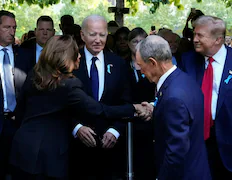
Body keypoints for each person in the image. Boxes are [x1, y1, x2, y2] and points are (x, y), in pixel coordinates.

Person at [9, 35, 148, 180]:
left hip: (22, 150)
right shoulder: (69, 85)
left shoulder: (34, 74)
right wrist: (134, 108)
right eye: (76, 52)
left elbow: (20, 112)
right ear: (67, 57)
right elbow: (98, 110)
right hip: (49, 158)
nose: (80, 55)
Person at [136, 35, 211, 180]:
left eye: (141, 65)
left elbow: (176, 151)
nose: (141, 71)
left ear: (152, 63)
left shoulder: (173, 97)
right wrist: (156, 109)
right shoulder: (185, 80)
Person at [70, 14, 133, 179]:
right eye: (92, 34)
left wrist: (115, 130)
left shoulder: (119, 64)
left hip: (111, 149)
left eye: (102, 35)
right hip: (76, 150)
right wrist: (76, 128)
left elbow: (126, 102)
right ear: (82, 35)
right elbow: (61, 102)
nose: (98, 40)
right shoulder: (70, 62)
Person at [180, 15, 232, 180]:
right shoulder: (187, 60)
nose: (194, 39)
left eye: (200, 35)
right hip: (196, 143)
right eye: (194, 34)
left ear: (218, 40)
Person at [0, 10, 33, 179]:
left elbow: (31, 89)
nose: (12, 32)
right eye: (7, 27)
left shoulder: (25, 55)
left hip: (18, 122)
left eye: (14, 27)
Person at [127, 27, 156, 180]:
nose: (138, 44)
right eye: (135, 41)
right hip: (128, 119)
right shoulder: (122, 65)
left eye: (142, 41)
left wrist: (150, 106)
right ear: (128, 43)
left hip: (149, 117)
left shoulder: (153, 64)